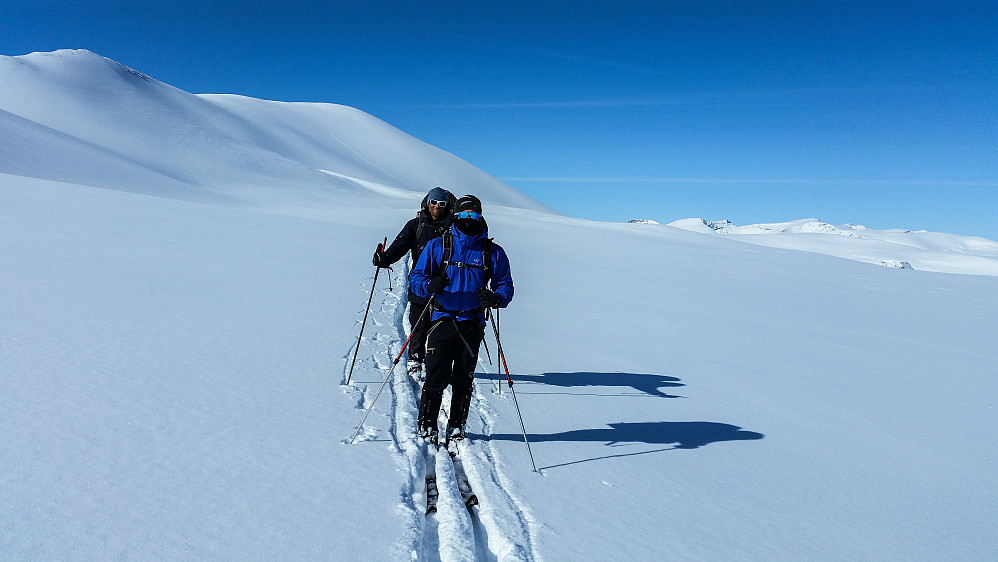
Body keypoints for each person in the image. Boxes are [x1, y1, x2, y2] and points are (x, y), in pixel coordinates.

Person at [409, 195, 514, 445]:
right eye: (464, 215)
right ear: (456, 216)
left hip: (473, 321)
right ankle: (427, 423)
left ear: (480, 216)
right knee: (436, 374)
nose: (469, 220)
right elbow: (416, 278)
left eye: (473, 215)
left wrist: (495, 298)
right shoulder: (438, 246)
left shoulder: (492, 252)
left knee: (463, 377)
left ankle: (457, 425)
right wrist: (429, 285)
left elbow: (505, 285)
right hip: (442, 318)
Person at [373, 187, 456, 373]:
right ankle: (415, 358)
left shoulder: (454, 228)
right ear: (428, 203)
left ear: (447, 206)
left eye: (441, 204)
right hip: (420, 283)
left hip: (446, 286)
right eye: (433, 203)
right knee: (418, 322)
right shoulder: (415, 225)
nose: (437, 207)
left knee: (441, 326)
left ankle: (437, 360)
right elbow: (400, 246)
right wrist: (384, 258)